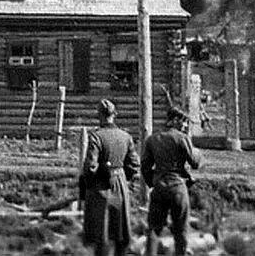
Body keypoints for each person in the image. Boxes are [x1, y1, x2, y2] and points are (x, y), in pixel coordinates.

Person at [80, 99, 140, 256]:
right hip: (120, 185)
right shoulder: (126, 137)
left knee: (101, 235)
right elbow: (134, 165)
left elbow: (91, 167)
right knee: (120, 232)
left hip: (100, 186)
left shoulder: (96, 137)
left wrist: (89, 185)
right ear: (114, 115)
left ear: (100, 116)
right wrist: (124, 181)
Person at [142, 107, 202, 256]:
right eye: (184, 122)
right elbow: (195, 163)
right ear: (175, 120)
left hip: (159, 188)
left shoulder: (152, 139)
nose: (186, 126)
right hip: (178, 188)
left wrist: (153, 184)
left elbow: (145, 167)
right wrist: (196, 150)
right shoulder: (182, 138)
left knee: (154, 229)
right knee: (180, 230)